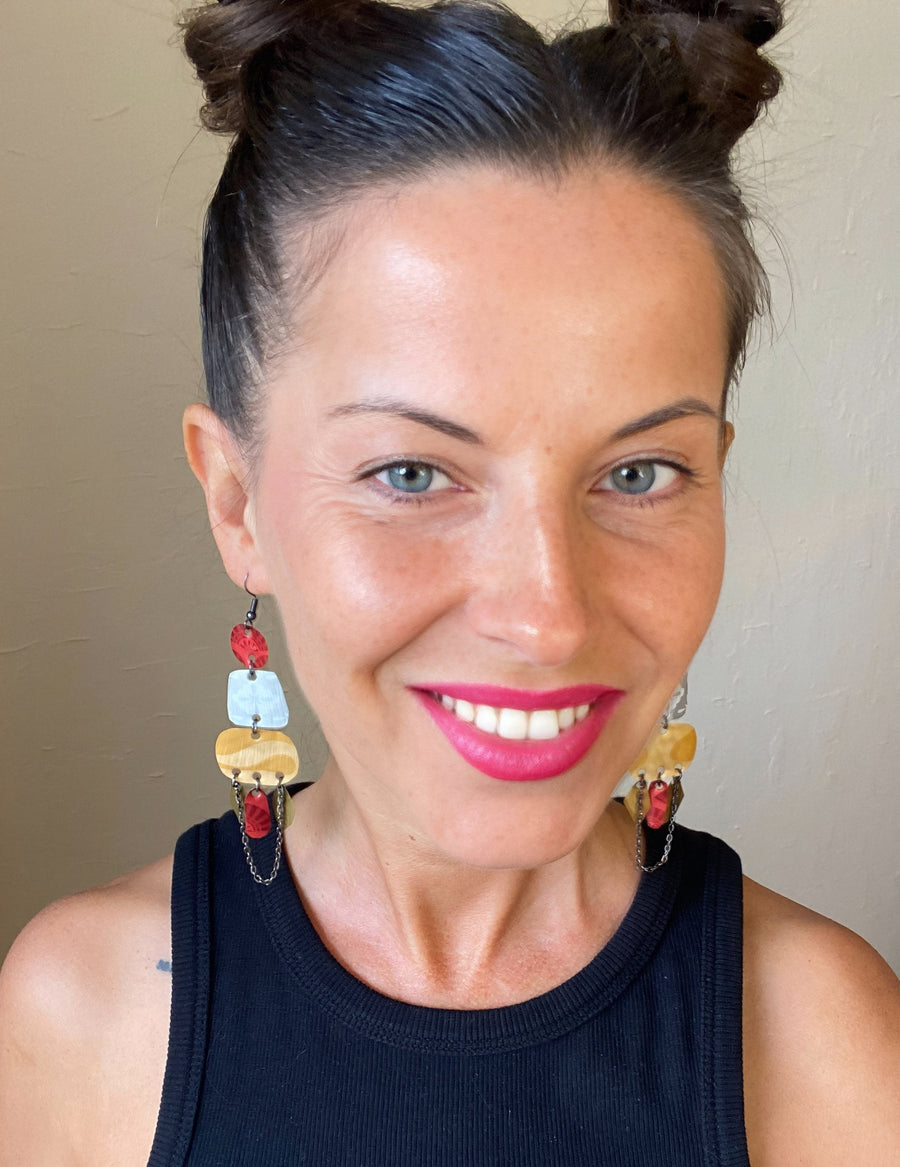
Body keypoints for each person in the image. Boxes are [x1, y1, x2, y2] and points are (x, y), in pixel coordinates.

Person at [1, 0, 898, 1162]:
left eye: (637, 471)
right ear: (238, 504)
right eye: (413, 472)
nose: (546, 616)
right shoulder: (82, 1017)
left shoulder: (831, 1042)